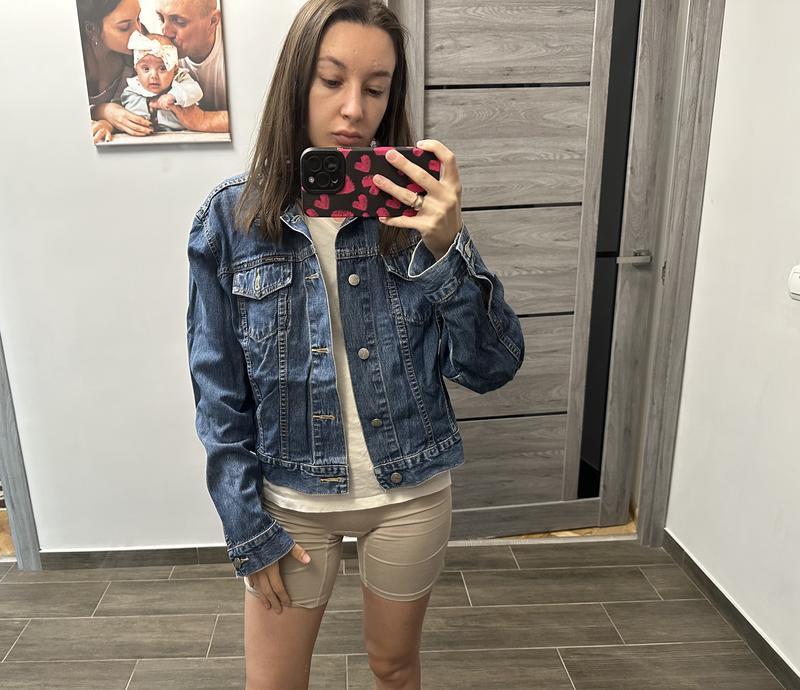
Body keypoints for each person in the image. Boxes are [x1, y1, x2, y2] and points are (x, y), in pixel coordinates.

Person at [185, 1, 525, 688]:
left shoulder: (417, 213)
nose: (353, 110)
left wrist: (447, 246)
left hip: (410, 493)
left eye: (375, 88)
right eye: (331, 80)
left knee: (394, 668)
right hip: (291, 501)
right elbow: (218, 394)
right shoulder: (231, 218)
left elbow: (492, 366)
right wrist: (245, 524)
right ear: (296, 82)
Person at [76, 0, 154, 143]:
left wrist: (108, 123)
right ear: (91, 29)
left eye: (138, 18)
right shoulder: (71, 60)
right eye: (124, 27)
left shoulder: (143, 55)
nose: (138, 32)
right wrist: (102, 112)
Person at [155, 0, 229, 133]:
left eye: (179, 21)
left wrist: (203, 120)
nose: (165, 32)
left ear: (212, 21)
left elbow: (258, 114)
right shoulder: (160, 48)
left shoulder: (238, 46)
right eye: (161, 18)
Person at [121, 31, 203, 132]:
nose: (153, 76)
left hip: (180, 133)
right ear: (136, 69)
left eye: (162, 68)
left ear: (175, 69)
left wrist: (173, 96)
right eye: (146, 69)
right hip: (148, 135)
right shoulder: (134, 88)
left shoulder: (179, 78)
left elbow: (195, 91)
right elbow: (130, 105)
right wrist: (149, 106)